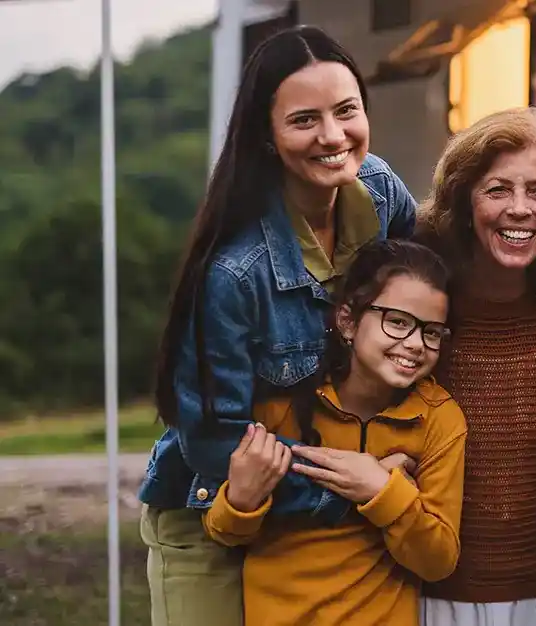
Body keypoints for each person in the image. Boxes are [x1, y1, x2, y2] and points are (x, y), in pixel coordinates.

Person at [136, 26, 419, 626]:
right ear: (266, 135)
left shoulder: (382, 193)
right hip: (210, 506)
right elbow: (215, 439)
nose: (333, 136)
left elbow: (442, 276)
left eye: (347, 111)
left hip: (312, 510)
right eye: (304, 120)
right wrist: (355, 479)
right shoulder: (235, 272)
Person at [200, 239, 466, 626]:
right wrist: (241, 500)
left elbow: (438, 560)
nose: (414, 344)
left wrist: (381, 489)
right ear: (348, 321)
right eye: (397, 321)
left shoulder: (439, 419)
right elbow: (225, 534)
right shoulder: (282, 403)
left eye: (432, 332)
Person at [413, 107, 536, 626]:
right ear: (463, 199)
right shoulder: (422, 306)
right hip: (433, 595)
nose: (519, 209)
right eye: (497, 190)